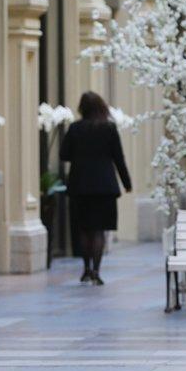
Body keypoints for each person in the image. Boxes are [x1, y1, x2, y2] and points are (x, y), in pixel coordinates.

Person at [59, 92, 131, 285]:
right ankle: (96, 271)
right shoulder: (109, 128)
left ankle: (86, 268)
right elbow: (118, 158)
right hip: (104, 186)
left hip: (80, 185)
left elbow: (64, 154)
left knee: (84, 229)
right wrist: (127, 183)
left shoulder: (75, 128)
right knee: (99, 231)